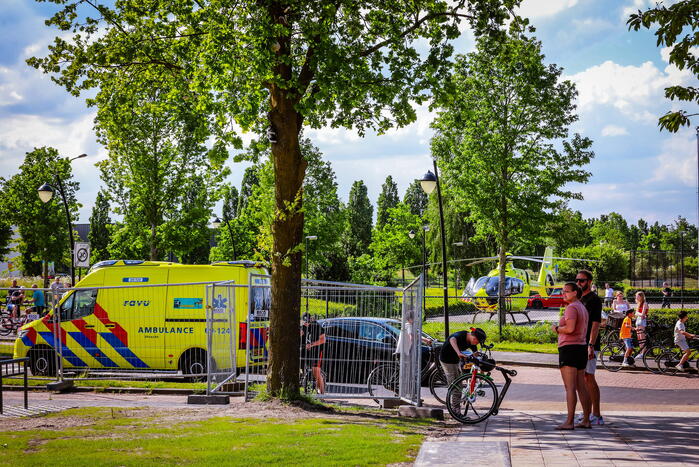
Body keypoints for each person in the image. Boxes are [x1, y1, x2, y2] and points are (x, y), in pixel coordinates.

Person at [552, 281, 591, 430]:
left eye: (566, 291)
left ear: (575, 292)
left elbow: (569, 329)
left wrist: (556, 328)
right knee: (581, 386)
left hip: (569, 348)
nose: (563, 294)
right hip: (581, 348)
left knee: (570, 388)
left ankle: (569, 421)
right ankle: (586, 419)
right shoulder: (582, 307)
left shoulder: (571, 308)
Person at [577, 270, 604, 426]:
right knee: (582, 379)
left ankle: (597, 414)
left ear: (589, 281)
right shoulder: (580, 298)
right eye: (577, 280)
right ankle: (587, 411)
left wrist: (591, 345)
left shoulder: (593, 299)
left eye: (582, 280)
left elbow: (595, 323)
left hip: (588, 343)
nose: (579, 283)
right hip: (579, 342)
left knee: (589, 377)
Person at [439, 327, 487, 408]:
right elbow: (452, 339)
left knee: (459, 383)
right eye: (477, 342)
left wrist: (479, 360)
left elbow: (475, 355)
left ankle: (456, 408)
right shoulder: (461, 335)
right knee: (456, 387)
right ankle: (455, 410)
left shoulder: (472, 343)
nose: (477, 344)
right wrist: (458, 352)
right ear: (474, 337)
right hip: (446, 360)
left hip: (455, 360)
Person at [301, 314, 326, 394]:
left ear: (311, 320)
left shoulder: (317, 327)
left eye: (307, 322)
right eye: (304, 322)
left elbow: (323, 340)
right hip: (308, 352)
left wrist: (311, 345)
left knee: (316, 372)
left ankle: (322, 393)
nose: (305, 324)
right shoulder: (304, 326)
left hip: (317, 352)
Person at [634, 291, 649, 357]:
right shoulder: (639, 303)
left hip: (642, 321)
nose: (636, 297)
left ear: (641, 296)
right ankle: (641, 352)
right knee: (639, 337)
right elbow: (637, 313)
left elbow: (643, 314)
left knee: (642, 337)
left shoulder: (645, 303)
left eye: (637, 296)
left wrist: (638, 313)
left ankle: (643, 353)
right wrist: (639, 314)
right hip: (638, 320)